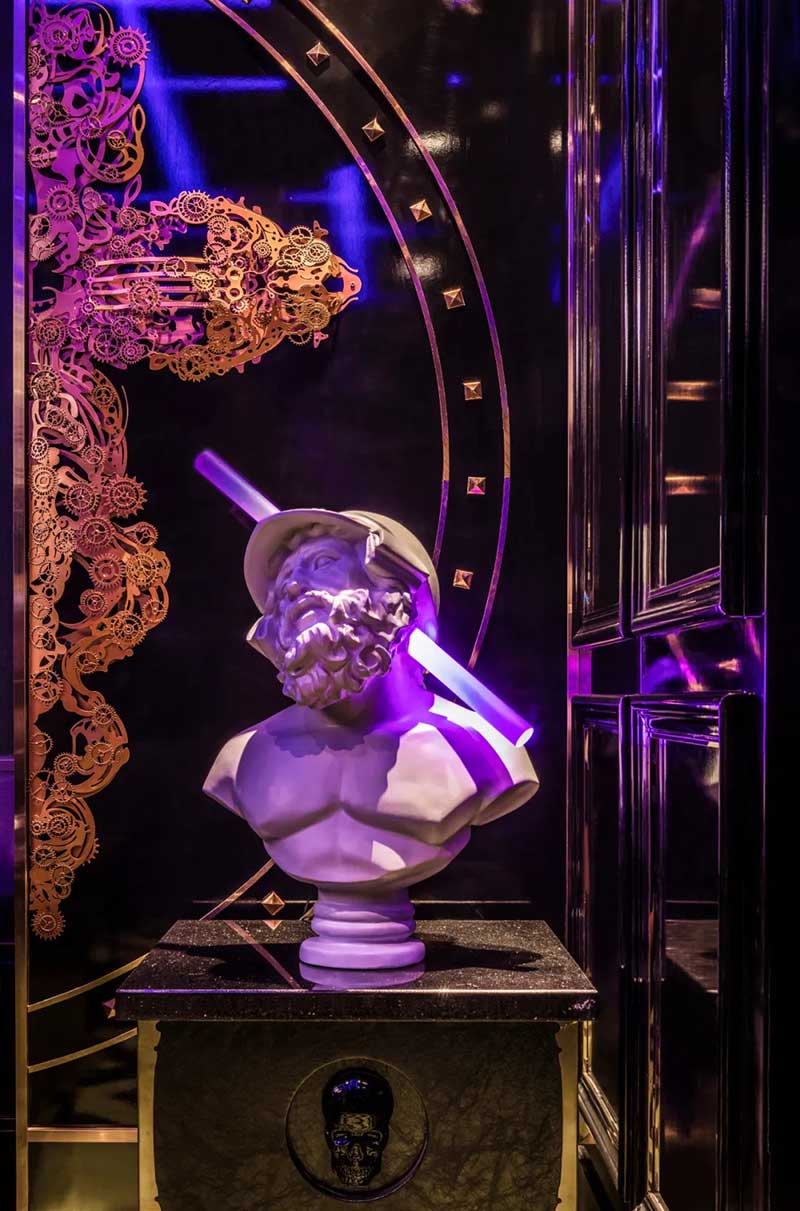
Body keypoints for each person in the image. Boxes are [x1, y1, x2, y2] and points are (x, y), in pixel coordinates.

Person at [204, 507, 539, 968]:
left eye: (321, 562)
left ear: (398, 596)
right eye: (283, 581)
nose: (294, 587)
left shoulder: (482, 753)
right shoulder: (240, 759)